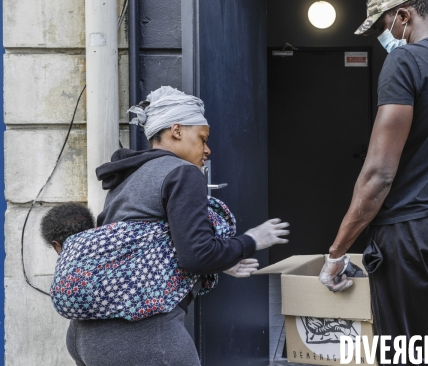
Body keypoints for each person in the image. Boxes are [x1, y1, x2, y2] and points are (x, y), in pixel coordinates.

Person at [318, 0, 428, 365]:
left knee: (402, 353)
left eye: (382, 23)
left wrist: (337, 252)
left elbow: (378, 175)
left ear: (404, 15)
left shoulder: (404, 61)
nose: (382, 32)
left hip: (408, 230)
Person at [65, 86, 290, 366]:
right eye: (203, 138)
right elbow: (197, 256)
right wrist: (253, 240)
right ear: (177, 130)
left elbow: (139, 250)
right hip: (143, 336)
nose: (207, 149)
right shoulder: (183, 173)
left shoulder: (128, 176)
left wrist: (221, 260)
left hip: (85, 336)